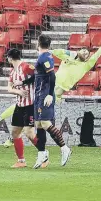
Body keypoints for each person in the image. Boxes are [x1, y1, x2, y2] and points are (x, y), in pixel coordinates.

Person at [0, 30, 101, 144]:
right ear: (78, 51)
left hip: (56, 95)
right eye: (82, 50)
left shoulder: (86, 65)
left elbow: (98, 53)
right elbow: (53, 52)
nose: (85, 53)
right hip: (46, 88)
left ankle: (20, 137)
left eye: (87, 53)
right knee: (26, 107)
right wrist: (70, 53)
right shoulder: (67, 58)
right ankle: (2, 123)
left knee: (40, 122)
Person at [31, 35, 71, 169]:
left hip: (44, 95)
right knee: (38, 124)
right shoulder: (42, 57)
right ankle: (42, 153)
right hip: (38, 95)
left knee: (45, 123)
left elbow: (52, 75)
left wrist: (49, 95)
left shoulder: (45, 57)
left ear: (38, 43)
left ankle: (64, 148)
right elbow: (38, 76)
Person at [5, 48, 39, 168]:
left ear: (9, 58)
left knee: (29, 132)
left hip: (30, 104)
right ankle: (21, 161)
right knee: (15, 132)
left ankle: (44, 154)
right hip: (19, 105)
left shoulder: (26, 67)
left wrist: (23, 84)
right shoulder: (12, 72)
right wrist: (18, 92)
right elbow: (9, 89)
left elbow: (36, 76)